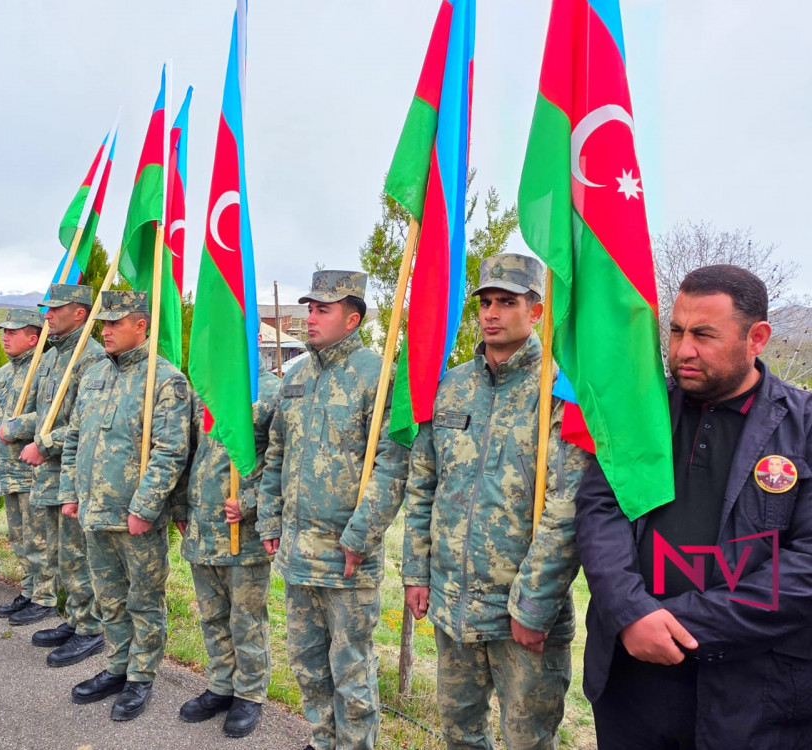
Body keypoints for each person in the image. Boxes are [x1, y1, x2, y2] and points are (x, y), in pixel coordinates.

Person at [576, 264, 812, 749]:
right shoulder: (641, 415)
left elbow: (806, 563)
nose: (683, 350)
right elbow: (601, 511)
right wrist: (630, 611)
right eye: (677, 330)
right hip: (631, 683)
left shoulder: (803, 426)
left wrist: (684, 622)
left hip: (755, 693)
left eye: (704, 334)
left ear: (758, 338)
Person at [402, 255, 590, 749]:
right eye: (485, 302)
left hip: (520, 616)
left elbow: (566, 509)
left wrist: (533, 604)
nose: (491, 313)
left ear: (537, 312)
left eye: (507, 302)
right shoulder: (453, 385)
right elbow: (423, 484)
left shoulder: (559, 391)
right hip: (451, 602)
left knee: (527, 739)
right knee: (459, 731)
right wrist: (416, 572)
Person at [257, 270, 409, 750]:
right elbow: (276, 452)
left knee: (352, 672)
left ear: (352, 318)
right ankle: (323, 741)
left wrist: (360, 538)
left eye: (322, 309)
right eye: (310, 307)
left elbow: (393, 464)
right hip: (298, 553)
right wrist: (268, 518)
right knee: (307, 664)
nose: (311, 317)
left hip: (346, 557)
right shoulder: (297, 374)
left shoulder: (377, 374)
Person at [58, 291, 191, 721]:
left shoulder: (165, 380)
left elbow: (170, 451)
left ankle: (141, 676)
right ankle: (117, 666)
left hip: (136, 518)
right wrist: (71, 493)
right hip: (95, 510)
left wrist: (145, 508)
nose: (107, 330)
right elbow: (75, 439)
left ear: (142, 326)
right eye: (104, 324)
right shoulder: (95, 374)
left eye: (117, 323)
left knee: (143, 600)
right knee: (108, 597)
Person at [0, 284, 105, 666]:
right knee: (60, 556)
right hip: (49, 476)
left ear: (80, 313)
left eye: (55, 309)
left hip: (72, 472)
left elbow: (82, 422)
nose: (47, 315)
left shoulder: (90, 357)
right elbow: (47, 414)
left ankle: (91, 629)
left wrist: (43, 444)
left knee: (77, 557)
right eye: (47, 309)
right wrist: (18, 426)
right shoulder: (51, 357)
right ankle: (75, 619)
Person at [177, 359, 280, 738]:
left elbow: (281, 461)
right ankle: (221, 685)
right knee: (212, 616)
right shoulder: (208, 389)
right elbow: (189, 452)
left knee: (246, 619)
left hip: (244, 534)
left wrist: (250, 500)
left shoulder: (270, 392)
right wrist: (178, 505)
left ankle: (250, 693)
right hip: (203, 529)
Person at [0, 308, 56, 625]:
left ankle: (45, 597)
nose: (5, 337)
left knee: (38, 538)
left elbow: (53, 415)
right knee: (19, 538)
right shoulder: (3, 373)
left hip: (34, 470)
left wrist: (14, 429)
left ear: (33, 337)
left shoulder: (46, 370)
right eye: (4, 331)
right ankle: (28, 590)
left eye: (12, 332)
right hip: (7, 469)